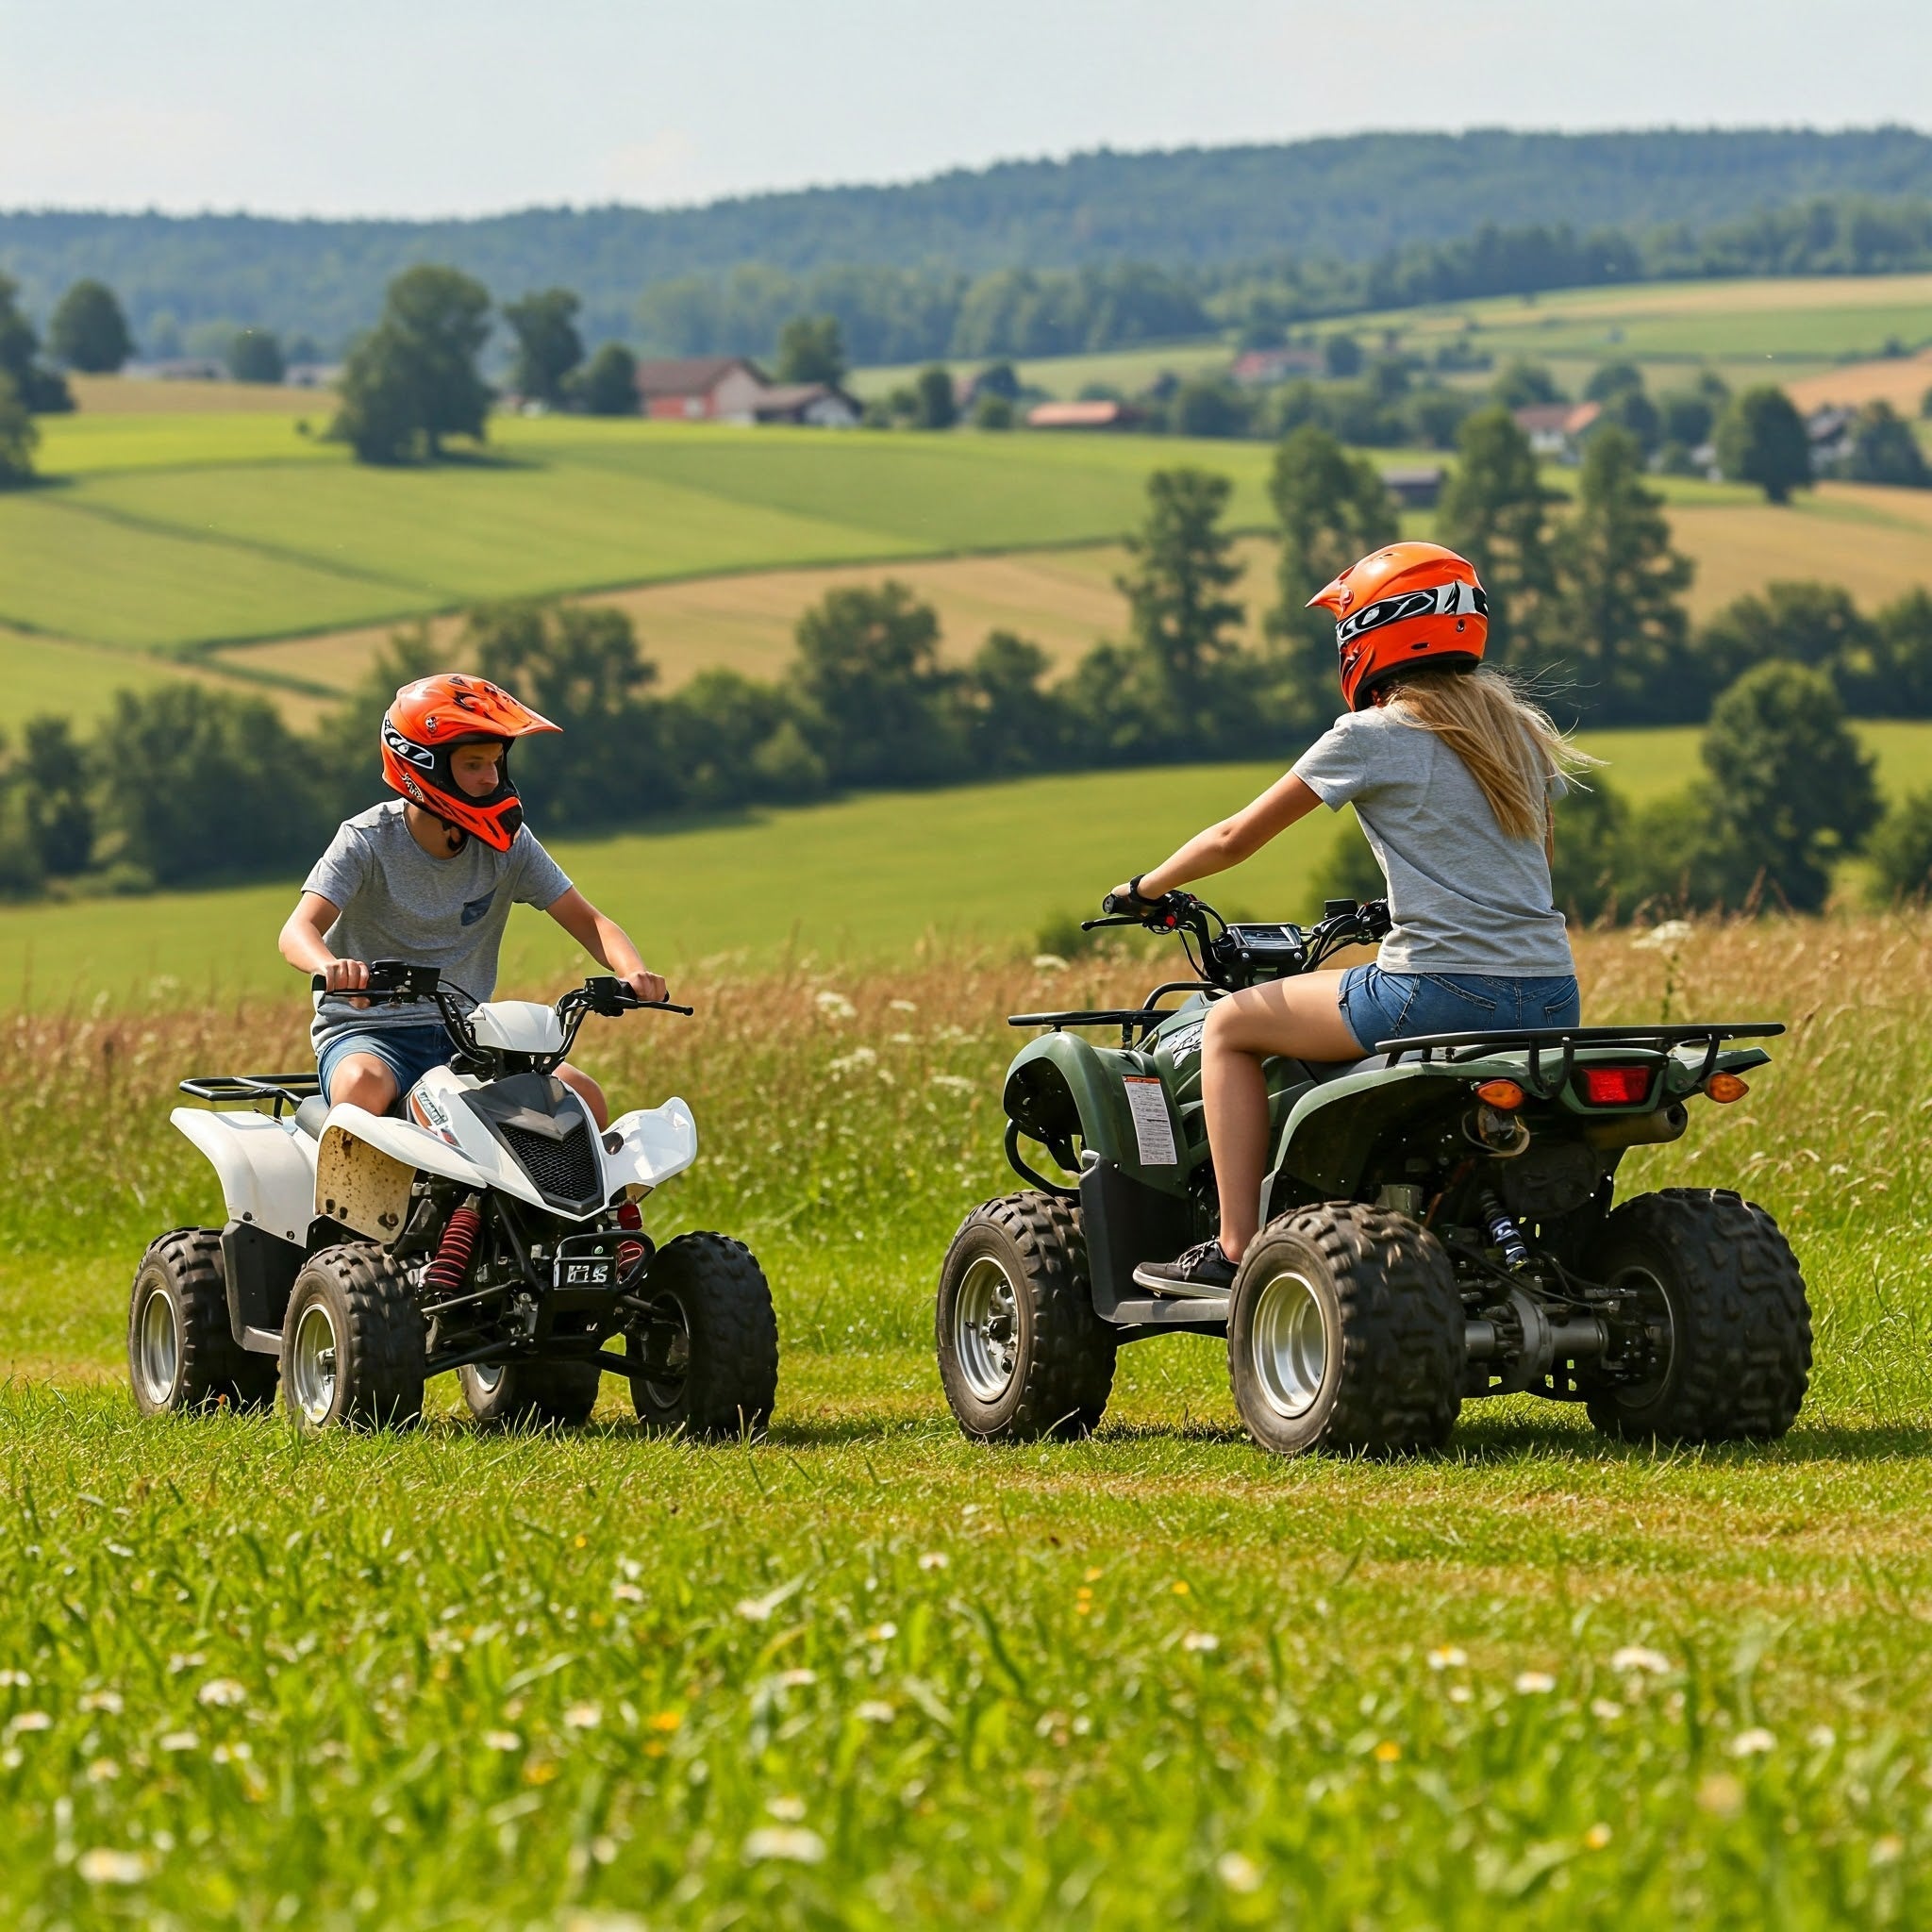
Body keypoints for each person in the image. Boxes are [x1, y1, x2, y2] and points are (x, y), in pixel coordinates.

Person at [1114, 541, 1594, 1295]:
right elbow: (1500, 863)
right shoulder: (1517, 733)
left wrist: (1146, 886)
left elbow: (1234, 838)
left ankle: (1234, 1247)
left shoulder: (1373, 736)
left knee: (1228, 1028)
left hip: (1436, 991)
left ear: (1369, 634)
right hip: (1551, 993)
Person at [277, 673, 665, 1128]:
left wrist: (632, 972)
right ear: (423, 766)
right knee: (362, 1085)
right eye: (474, 765)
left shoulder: (509, 845)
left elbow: (589, 920)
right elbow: (297, 931)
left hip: (468, 1034)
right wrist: (329, 967)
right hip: (369, 1034)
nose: (490, 778)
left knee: (581, 1099)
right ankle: (344, 1201)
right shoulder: (366, 840)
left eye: (496, 763)